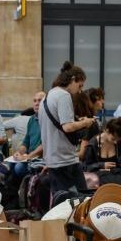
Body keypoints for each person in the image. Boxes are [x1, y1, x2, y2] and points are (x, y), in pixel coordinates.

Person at [40, 62, 96, 199]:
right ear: (72, 80)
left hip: (52, 159)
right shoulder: (64, 96)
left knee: (60, 201)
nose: (80, 90)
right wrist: (85, 122)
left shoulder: (47, 97)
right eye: (80, 85)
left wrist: (78, 121)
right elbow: (67, 126)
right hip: (65, 160)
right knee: (81, 200)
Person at [81, 117, 121, 185]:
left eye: (118, 140)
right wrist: (101, 165)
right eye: (113, 139)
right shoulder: (93, 144)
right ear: (107, 130)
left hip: (117, 176)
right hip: (98, 178)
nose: (115, 142)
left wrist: (111, 170)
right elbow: (86, 167)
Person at [2, 97, 44, 182]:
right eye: (35, 100)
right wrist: (19, 152)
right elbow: (26, 141)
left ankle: (19, 189)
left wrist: (28, 156)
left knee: (19, 167)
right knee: (10, 163)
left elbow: (45, 145)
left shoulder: (48, 121)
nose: (36, 103)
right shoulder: (31, 120)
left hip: (41, 158)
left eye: (40, 100)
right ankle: (15, 191)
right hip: (30, 156)